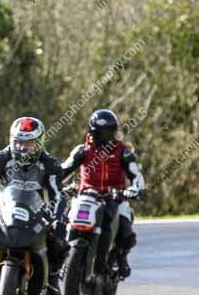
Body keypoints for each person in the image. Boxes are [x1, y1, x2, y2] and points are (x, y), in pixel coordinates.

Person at [0, 116, 67, 295]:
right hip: (2, 209)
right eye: (18, 143)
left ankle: (52, 277)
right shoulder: (0, 159)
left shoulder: (50, 164)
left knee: (59, 243)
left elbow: (59, 195)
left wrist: (58, 219)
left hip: (37, 211)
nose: (22, 148)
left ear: (39, 143)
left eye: (28, 144)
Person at [60, 109, 145, 277]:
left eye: (108, 132)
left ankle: (120, 258)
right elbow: (63, 170)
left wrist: (133, 190)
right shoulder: (82, 151)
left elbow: (137, 176)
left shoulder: (124, 153)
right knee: (61, 221)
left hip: (115, 197)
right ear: (91, 132)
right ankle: (62, 260)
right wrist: (51, 182)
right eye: (100, 132)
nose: (104, 136)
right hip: (86, 196)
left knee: (125, 230)